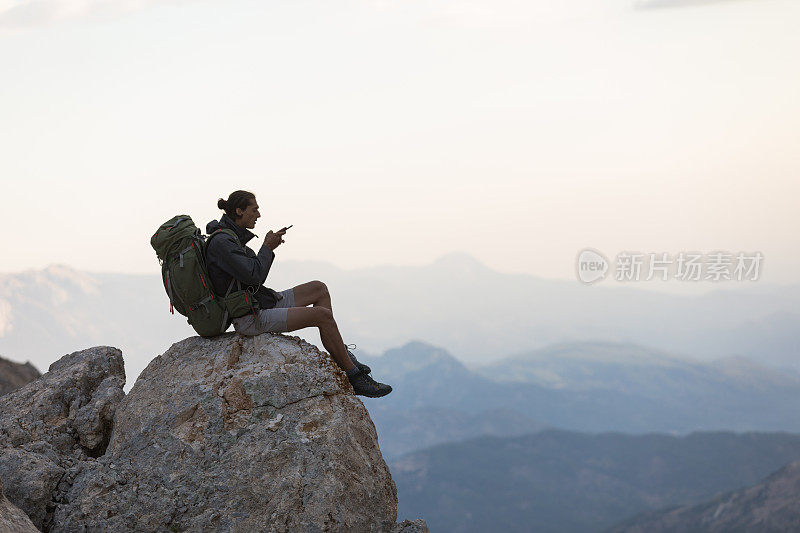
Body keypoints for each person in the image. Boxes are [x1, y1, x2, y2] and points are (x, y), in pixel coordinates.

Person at [205, 190, 392, 398]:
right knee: (322, 316)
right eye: (254, 209)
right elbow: (254, 275)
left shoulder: (230, 237)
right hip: (249, 317)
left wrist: (267, 248)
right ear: (239, 210)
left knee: (319, 288)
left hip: (261, 301)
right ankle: (354, 376)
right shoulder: (222, 242)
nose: (258, 215)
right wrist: (267, 247)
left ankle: (342, 354)